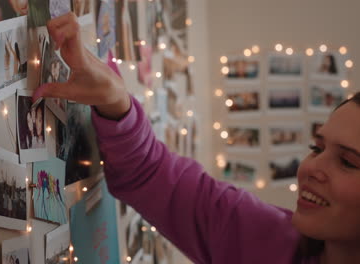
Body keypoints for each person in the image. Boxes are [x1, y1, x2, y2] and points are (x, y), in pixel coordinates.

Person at [34, 13, 360, 263]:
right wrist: (116, 103)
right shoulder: (270, 240)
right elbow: (151, 175)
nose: (312, 168)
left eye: (347, 162)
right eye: (316, 148)